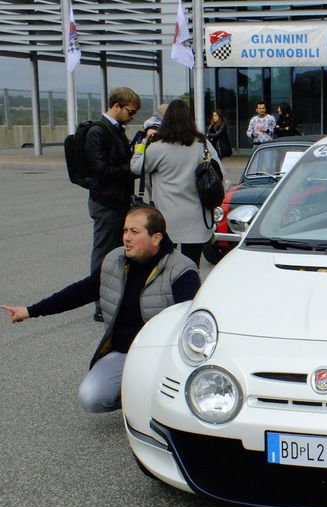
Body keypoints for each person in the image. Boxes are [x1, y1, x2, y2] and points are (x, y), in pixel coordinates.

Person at [1, 206, 200, 413]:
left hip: (162, 357)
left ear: (156, 237)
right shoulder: (115, 260)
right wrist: (30, 310)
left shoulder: (181, 270)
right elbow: (81, 291)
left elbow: (191, 322)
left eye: (135, 232)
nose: (127, 238)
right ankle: (134, 396)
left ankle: (155, 397)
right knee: (92, 397)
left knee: (167, 404)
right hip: (124, 352)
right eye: (125, 231)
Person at [130, 99, 223, 267]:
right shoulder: (203, 144)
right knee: (191, 267)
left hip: (166, 220)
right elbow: (219, 172)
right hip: (197, 218)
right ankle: (189, 293)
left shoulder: (157, 147)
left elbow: (137, 168)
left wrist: (142, 145)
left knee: (164, 267)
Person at [85, 86, 142, 322]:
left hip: (118, 201)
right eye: (130, 112)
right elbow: (100, 169)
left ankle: (114, 299)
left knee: (119, 253)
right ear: (116, 106)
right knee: (104, 254)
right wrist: (130, 170)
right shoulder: (98, 132)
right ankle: (100, 303)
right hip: (106, 203)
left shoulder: (116, 129)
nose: (132, 117)